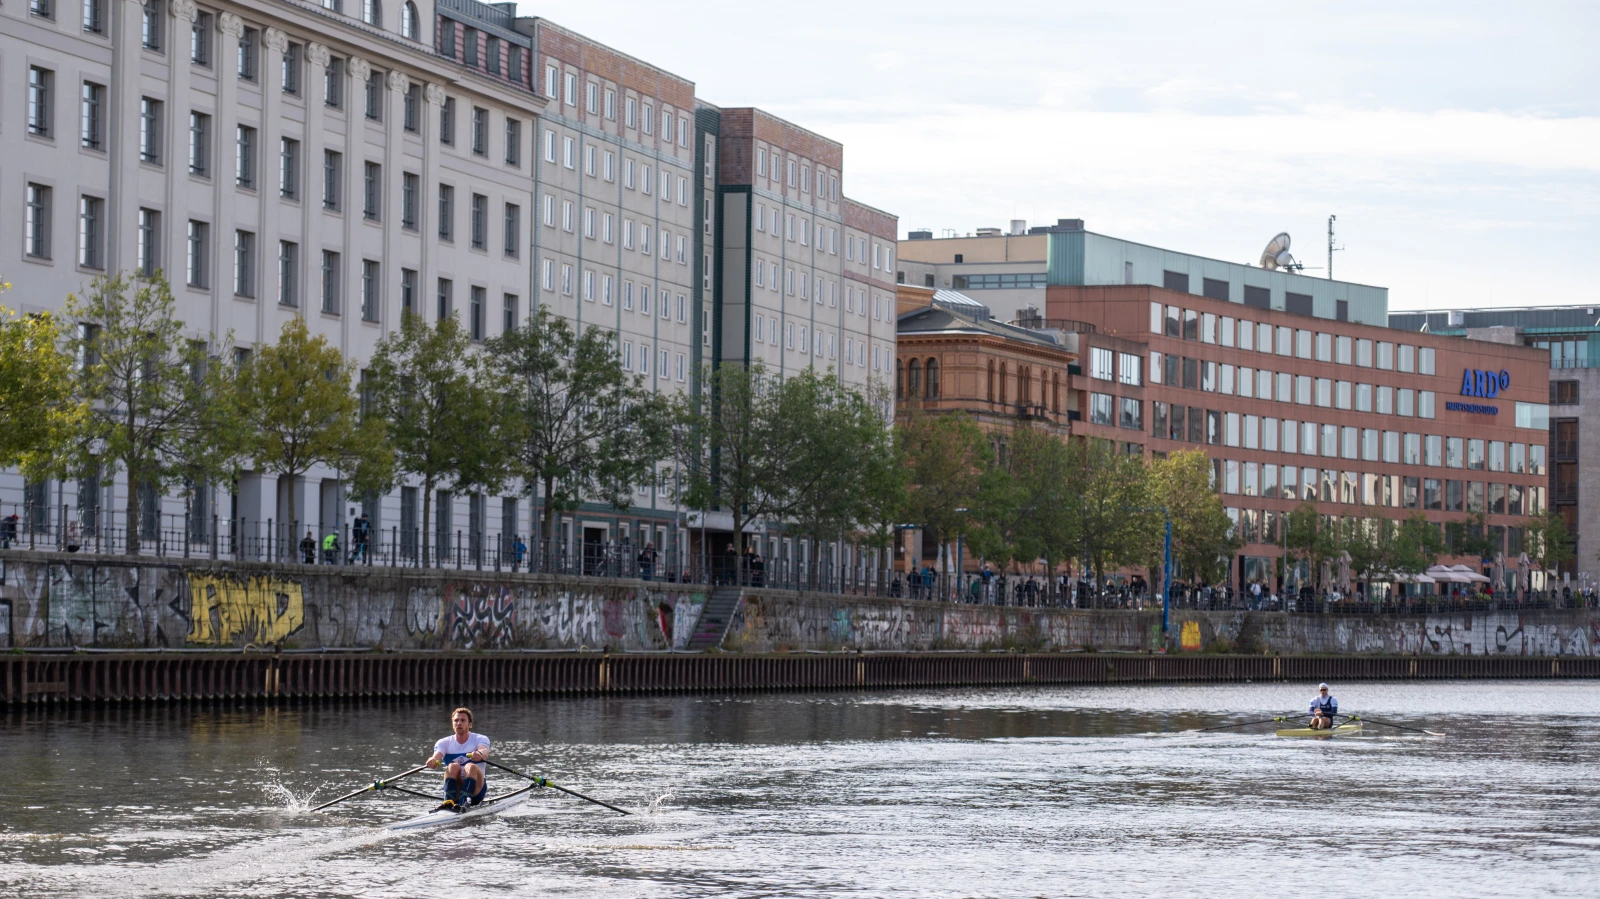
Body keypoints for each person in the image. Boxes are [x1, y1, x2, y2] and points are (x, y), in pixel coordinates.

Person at [426, 707, 491, 812]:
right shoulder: (443, 742)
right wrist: (433, 761)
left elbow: (485, 751)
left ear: (470, 724)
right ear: (452, 724)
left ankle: (463, 803)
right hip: (456, 790)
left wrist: (479, 754)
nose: (459, 723)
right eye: (456, 720)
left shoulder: (480, 739)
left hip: (476, 792)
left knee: (470, 766)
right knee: (452, 766)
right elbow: (436, 756)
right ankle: (448, 803)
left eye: (463, 720)